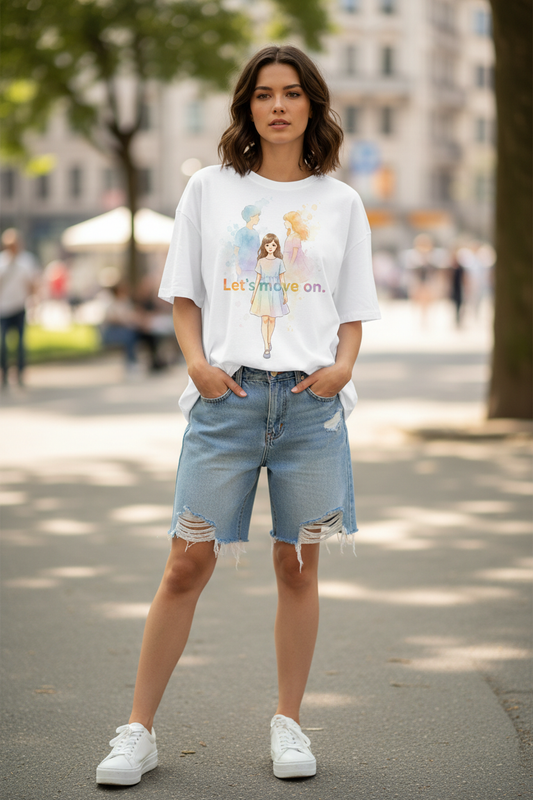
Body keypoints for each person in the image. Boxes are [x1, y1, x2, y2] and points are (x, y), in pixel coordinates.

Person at [96, 44, 381, 787]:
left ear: (313, 106)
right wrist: (196, 362)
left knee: (296, 566)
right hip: (226, 399)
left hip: (311, 408)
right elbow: (183, 291)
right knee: (185, 563)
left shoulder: (340, 203)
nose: (278, 106)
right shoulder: (211, 190)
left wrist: (343, 368)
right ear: (246, 105)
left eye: (292, 93)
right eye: (263, 94)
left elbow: (352, 307)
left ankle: (288, 723)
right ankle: (138, 731)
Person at [0, 229, 40, 389]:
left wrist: (34, 302)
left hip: (19, 306)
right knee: (3, 343)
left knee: (20, 343)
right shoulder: (2, 262)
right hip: (3, 308)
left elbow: (32, 284)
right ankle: (4, 374)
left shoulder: (27, 261)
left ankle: (21, 373)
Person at [249, 233, 289, 358]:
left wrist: (285, 293)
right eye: (267, 245)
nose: (270, 247)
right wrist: (253, 294)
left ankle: (269, 339)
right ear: (264, 246)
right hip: (263, 292)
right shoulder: (261, 261)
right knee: (264, 318)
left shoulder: (279, 262)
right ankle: (266, 346)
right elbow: (257, 279)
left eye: (273, 244)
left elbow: (282, 279)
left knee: (272, 319)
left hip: (275, 292)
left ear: (276, 246)